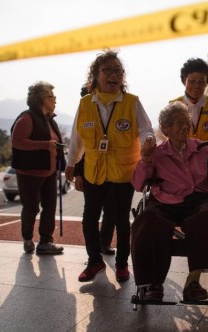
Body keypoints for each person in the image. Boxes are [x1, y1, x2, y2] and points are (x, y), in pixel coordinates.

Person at [130, 101, 208, 302]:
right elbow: (138, 183)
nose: (184, 127)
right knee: (146, 221)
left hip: (198, 200)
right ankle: (153, 284)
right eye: (178, 123)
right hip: (165, 201)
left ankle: (193, 282)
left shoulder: (202, 148)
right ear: (166, 128)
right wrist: (146, 160)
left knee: (205, 217)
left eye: (186, 122)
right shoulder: (158, 152)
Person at [65, 50, 155, 283]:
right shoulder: (85, 103)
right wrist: (71, 163)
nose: (114, 75)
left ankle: (123, 263)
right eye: (108, 70)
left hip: (123, 172)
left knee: (122, 221)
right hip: (95, 172)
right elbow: (77, 137)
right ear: (96, 75)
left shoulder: (131, 102)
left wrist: (148, 140)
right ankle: (94, 260)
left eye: (118, 71)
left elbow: (146, 128)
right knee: (88, 219)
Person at [10, 81, 65, 255]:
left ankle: (45, 242)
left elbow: (56, 145)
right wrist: (45, 145)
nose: (55, 99)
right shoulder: (26, 118)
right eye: (51, 96)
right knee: (31, 208)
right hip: (29, 173)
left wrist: (59, 165)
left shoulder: (50, 120)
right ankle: (27, 239)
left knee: (49, 207)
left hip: (49, 172)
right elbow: (17, 142)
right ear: (41, 98)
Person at [74, 83, 116, 256]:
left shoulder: (113, 109)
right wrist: (78, 174)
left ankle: (104, 242)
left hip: (112, 171)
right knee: (91, 213)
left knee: (111, 210)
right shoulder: (84, 111)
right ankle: (93, 253)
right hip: (90, 172)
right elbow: (77, 146)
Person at [169, 58, 208, 154]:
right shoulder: (173, 106)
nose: (196, 86)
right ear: (183, 81)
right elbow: (162, 134)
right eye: (192, 81)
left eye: (201, 82)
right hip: (181, 161)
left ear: (207, 83)